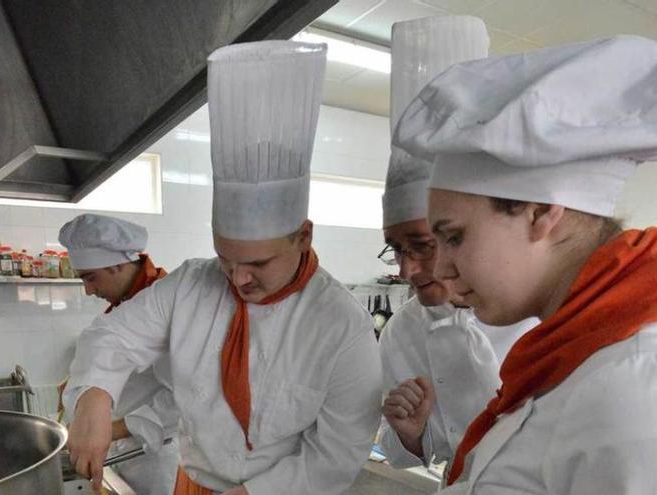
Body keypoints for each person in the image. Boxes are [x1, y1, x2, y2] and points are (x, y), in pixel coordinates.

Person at [65, 41, 383, 495]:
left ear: (304, 237)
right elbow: (112, 336)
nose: (237, 279)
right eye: (226, 258)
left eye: (257, 263)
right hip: (193, 483)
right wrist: (94, 395)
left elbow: (334, 456)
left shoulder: (342, 327)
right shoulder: (192, 284)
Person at [394, 35, 657, 494]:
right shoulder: (569, 352)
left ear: (539, 212)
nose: (440, 270)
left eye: (454, 237)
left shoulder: (632, 386)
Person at [375, 16, 538, 471]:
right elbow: (407, 455)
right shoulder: (402, 332)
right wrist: (409, 436)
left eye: (424, 244)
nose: (407, 271)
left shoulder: (538, 315)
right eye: (396, 248)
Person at [57, 213, 179, 495]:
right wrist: (88, 388)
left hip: (160, 459)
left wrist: (109, 429)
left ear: (117, 266)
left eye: (90, 278)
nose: (88, 290)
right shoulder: (129, 303)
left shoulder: (170, 310)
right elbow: (109, 348)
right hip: (126, 451)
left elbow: (184, 400)